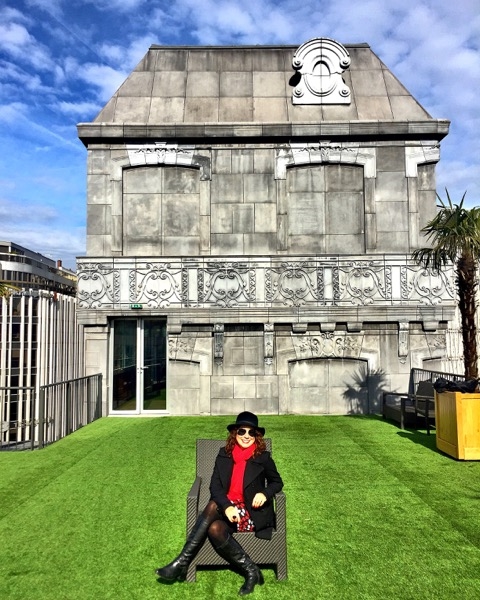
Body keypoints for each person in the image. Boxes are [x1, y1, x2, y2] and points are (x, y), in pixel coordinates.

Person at [155, 411, 283, 596]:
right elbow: (215, 486)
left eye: (251, 432)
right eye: (242, 431)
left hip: (250, 512)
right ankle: (251, 570)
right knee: (215, 527)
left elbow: (277, 482)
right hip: (226, 508)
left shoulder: (263, 457)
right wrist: (228, 506)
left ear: (257, 436)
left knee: (213, 506)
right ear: (235, 433)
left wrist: (265, 493)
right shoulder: (224, 455)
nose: (246, 436)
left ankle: (182, 563)